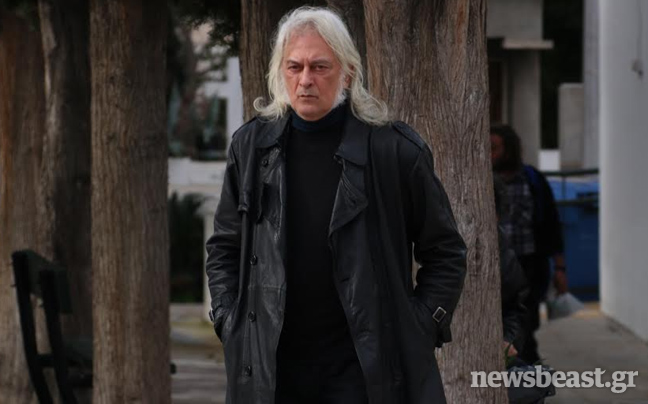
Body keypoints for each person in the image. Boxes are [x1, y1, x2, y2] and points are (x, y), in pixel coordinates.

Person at [205, 7, 466, 404]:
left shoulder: (394, 150)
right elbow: (225, 246)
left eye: (319, 67)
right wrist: (229, 319)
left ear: (347, 73)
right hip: (273, 367)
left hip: (365, 368)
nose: (305, 80)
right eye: (294, 67)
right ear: (280, 72)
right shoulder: (251, 148)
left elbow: (445, 250)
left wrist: (421, 325)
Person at [490, 124, 568, 365]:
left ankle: (526, 371)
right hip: (496, 264)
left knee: (526, 323)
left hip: (529, 265)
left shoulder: (532, 180)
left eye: (494, 148)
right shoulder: (483, 179)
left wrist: (560, 268)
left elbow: (552, 225)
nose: (490, 154)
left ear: (509, 149)